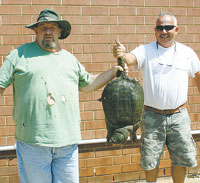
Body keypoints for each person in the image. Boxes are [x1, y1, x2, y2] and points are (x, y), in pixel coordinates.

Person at [0, 9, 124, 183]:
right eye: (43, 27)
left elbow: (88, 84)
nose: (48, 31)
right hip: (33, 141)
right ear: (35, 31)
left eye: (52, 27)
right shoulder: (19, 55)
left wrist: (112, 72)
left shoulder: (69, 59)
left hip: (67, 141)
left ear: (60, 32)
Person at [113, 12, 200, 183]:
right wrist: (121, 54)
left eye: (168, 27)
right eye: (160, 27)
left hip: (179, 115)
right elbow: (130, 59)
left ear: (176, 29)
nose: (164, 31)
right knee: (150, 161)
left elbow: (198, 77)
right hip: (152, 117)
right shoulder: (146, 50)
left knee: (181, 159)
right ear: (155, 30)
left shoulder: (187, 53)